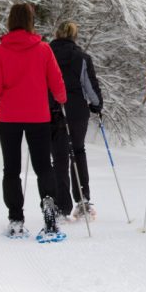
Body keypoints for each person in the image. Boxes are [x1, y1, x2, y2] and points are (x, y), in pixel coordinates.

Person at [0, 3, 68, 240]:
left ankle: (16, 219)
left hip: (9, 117)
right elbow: (56, 80)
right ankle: (49, 212)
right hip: (38, 116)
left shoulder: (0, 51)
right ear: (32, 21)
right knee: (44, 166)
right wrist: (61, 99)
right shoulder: (43, 50)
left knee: (11, 169)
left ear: (10, 21)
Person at [48, 20, 103, 220]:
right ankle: (83, 201)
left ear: (56, 34)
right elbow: (90, 85)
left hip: (51, 110)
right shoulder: (82, 57)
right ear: (74, 36)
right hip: (76, 111)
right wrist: (96, 105)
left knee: (59, 157)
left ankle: (61, 206)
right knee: (77, 152)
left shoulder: (45, 54)